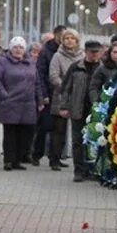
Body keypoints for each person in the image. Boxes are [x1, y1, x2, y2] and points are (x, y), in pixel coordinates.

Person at [0, 37, 42, 171]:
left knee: (24, 133)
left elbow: (37, 82)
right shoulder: (3, 62)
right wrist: (4, 95)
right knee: (10, 133)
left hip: (27, 104)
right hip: (10, 102)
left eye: (21, 47)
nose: (18, 50)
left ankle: (18, 160)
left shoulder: (31, 63)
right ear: (10, 49)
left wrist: (40, 99)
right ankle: (8, 161)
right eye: (15, 47)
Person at [59, 39, 103, 182]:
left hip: (95, 110)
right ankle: (78, 170)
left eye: (97, 52)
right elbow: (66, 88)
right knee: (77, 141)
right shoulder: (76, 67)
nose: (94, 55)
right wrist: (64, 106)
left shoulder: (103, 68)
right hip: (77, 108)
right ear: (85, 52)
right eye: (92, 52)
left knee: (92, 141)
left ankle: (91, 170)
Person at [47, 28, 82, 170]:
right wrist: (66, 86)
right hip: (61, 95)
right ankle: (54, 158)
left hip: (78, 96)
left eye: (72, 38)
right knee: (58, 130)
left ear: (76, 41)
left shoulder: (81, 56)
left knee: (76, 130)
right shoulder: (57, 56)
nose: (69, 40)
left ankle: (73, 160)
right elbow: (53, 75)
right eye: (66, 38)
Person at [32, 27, 63, 166]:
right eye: (62, 36)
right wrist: (43, 94)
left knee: (59, 128)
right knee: (45, 125)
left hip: (62, 95)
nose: (64, 39)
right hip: (49, 93)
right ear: (56, 35)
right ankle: (36, 154)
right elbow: (40, 73)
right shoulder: (46, 51)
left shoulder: (66, 52)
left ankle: (55, 157)